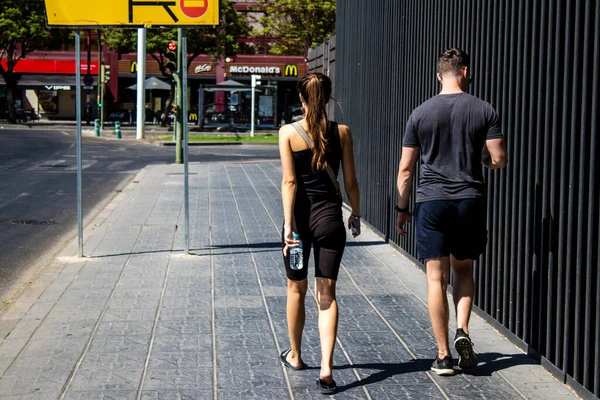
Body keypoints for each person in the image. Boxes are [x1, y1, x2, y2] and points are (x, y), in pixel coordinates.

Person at [396, 48, 507, 376]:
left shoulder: (420, 113)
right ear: (465, 72)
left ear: (438, 75)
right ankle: (463, 331)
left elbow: (405, 170)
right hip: (469, 199)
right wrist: (483, 160)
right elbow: (498, 159)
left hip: (431, 201)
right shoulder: (484, 109)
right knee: (463, 270)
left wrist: (402, 209)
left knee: (435, 277)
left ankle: (443, 355)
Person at [278, 73, 361, 394]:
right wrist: (356, 211)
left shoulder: (287, 133)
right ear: (327, 97)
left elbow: (289, 182)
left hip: (298, 223)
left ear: (301, 99)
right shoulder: (342, 132)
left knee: (295, 289)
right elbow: (350, 181)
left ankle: (296, 355)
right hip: (330, 221)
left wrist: (288, 224)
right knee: (327, 294)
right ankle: (327, 367)